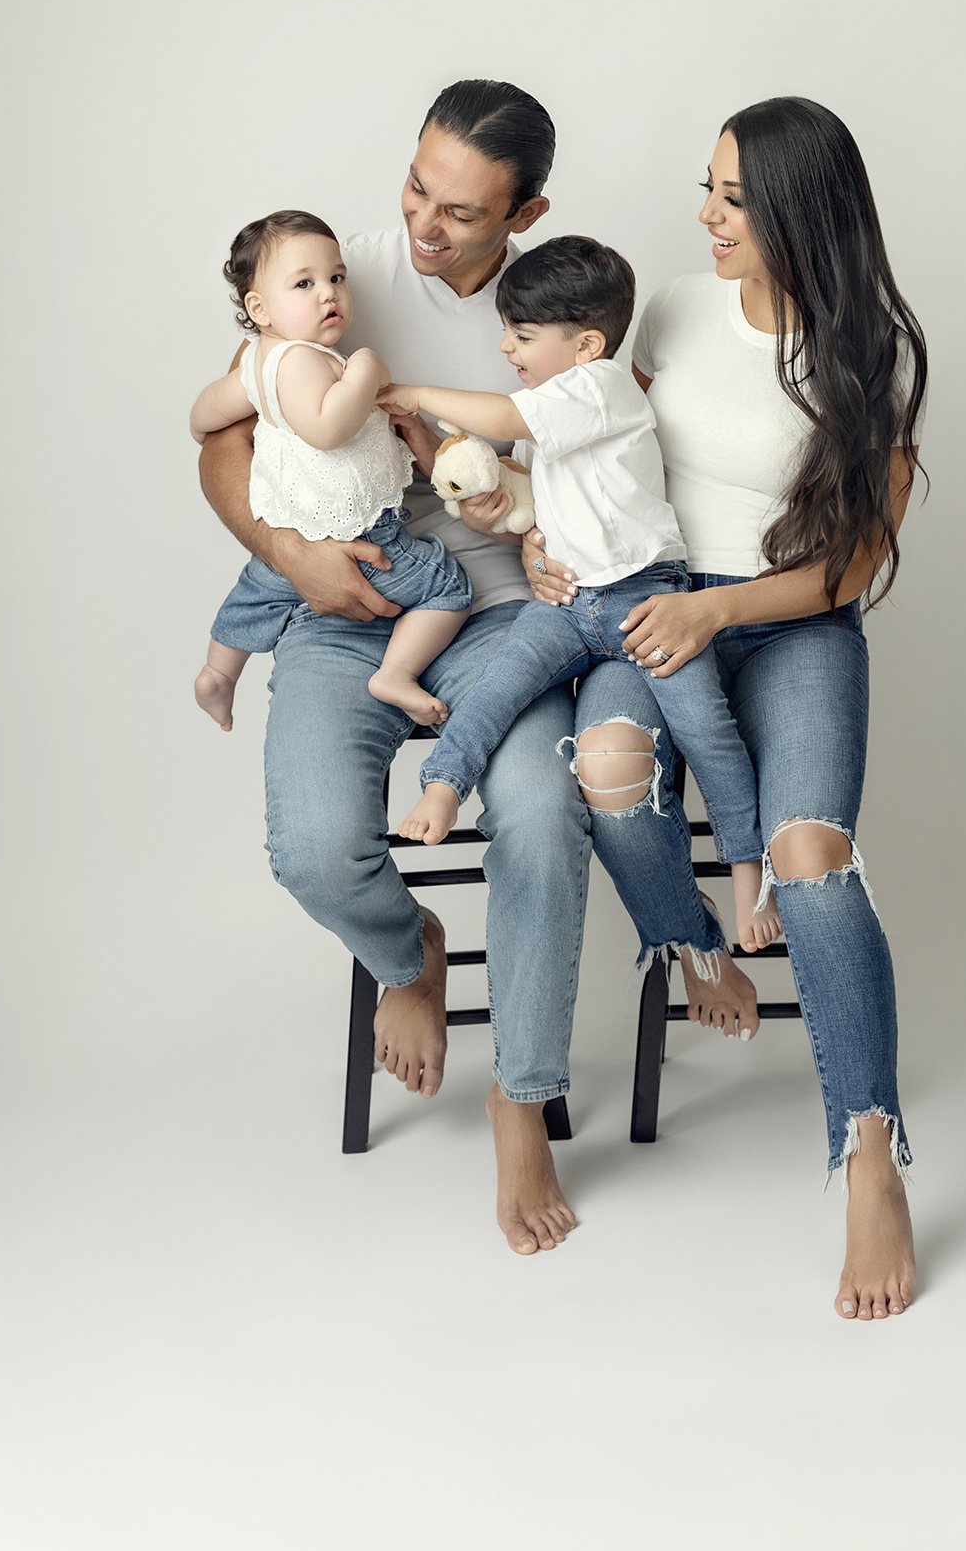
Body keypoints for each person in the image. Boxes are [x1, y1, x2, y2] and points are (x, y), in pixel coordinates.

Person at [528, 98, 928, 1318]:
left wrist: (720, 611)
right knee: (604, 762)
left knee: (810, 860)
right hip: (648, 601)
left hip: (790, 622)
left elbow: (850, 567)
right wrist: (554, 541)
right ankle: (696, 942)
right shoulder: (680, 308)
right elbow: (593, 443)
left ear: (799, 210)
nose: (704, 216)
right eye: (707, 190)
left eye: (730, 199)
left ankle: (869, 1154)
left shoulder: (871, 355)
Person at [197, 81, 589, 1256]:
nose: (424, 224)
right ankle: (403, 947)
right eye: (418, 186)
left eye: (462, 211)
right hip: (344, 598)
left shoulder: (558, 308)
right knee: (313, 845)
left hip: (497, 605)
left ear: (525, 212)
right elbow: (224, 432)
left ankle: (521, 1099)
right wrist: (286, 555)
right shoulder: (329, 271)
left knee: (538, 811)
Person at [381, 235, 780, 954]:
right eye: (507, 330)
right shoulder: (551, 407)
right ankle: (443, 785)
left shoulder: (599, 389)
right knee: (497, 688)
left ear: (588, 344)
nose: (505, 346)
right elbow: (520, 495)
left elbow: (502, 421)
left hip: (642, 600)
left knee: (707, 732)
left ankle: (750, 873)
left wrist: (416, 391)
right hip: (568, 607)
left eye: (522, 334)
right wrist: (450, 466)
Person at [191, 210, 472, 732]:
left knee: (257, 591)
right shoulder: (307, 360)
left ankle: (217, 672)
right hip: (363, 538)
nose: (329, 294)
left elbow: (203, 415)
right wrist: (366, 368)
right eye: (304, 283)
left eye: (336, 278)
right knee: (448, 586)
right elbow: (327, 428)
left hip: (291, 530)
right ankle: (395, 673)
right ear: (260, 308)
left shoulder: (257, 363)